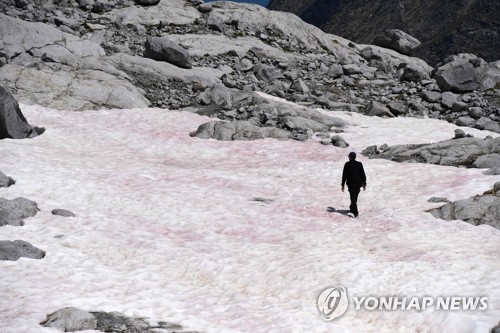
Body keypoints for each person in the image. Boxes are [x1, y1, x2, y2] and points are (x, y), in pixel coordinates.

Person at [341, 152, 366, 218]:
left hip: (351, 184)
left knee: (353, 197)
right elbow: (363, 174)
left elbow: (344, 175)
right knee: (354, 197)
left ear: (350, 157)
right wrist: (364, 183)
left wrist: (342, 184)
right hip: (358, 184)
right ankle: (352, 208)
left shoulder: (347, 164)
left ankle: (355, 212)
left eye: (348, 156)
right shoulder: (359, 164)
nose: (348, 157)